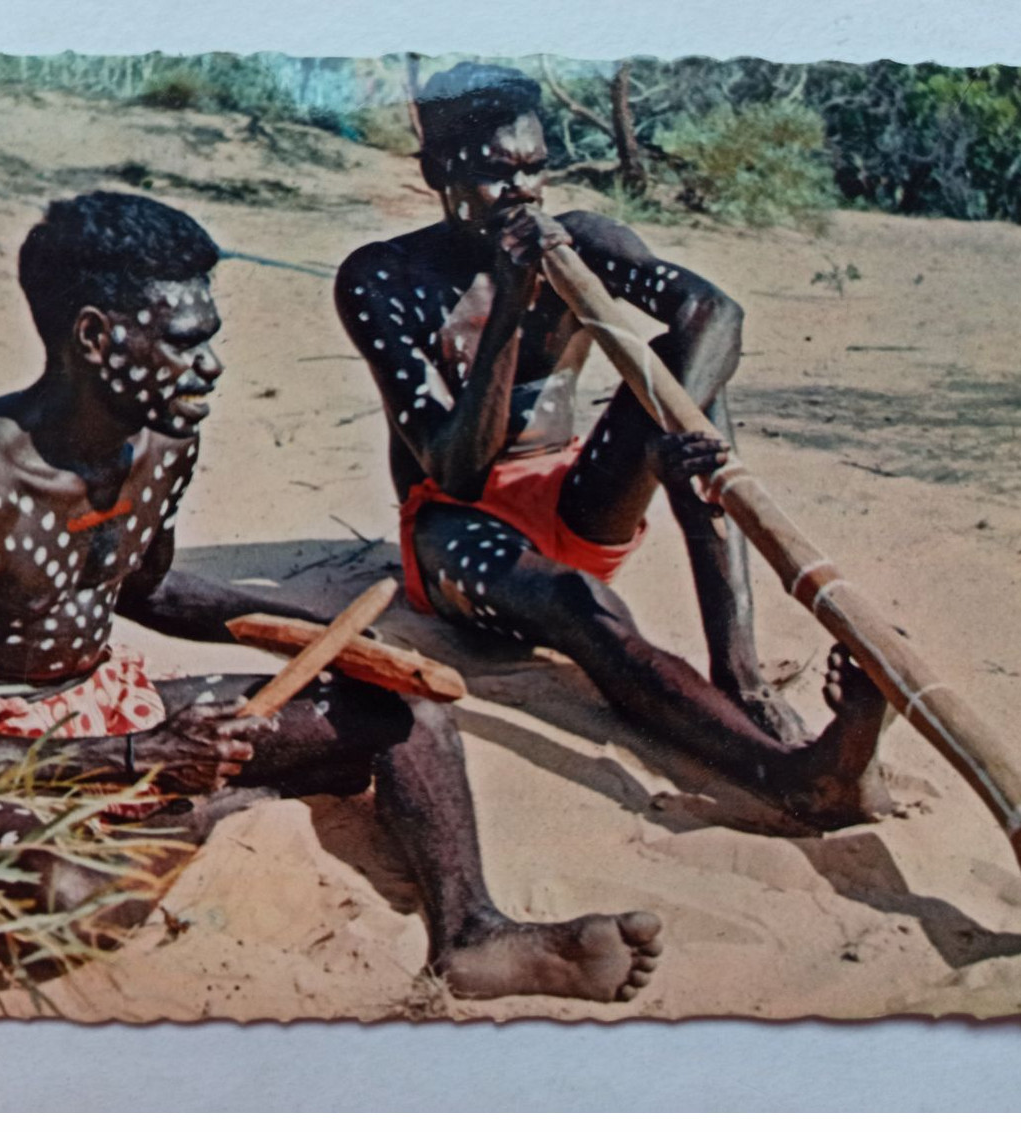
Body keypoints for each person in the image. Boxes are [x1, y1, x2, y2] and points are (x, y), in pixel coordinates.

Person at [0, 190, 662, 1003]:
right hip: (0, 759)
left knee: (406, 714)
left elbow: (147, 588)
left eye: (210, 340)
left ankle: (471, 933)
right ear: (95, 337)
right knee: (66, 905)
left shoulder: (164, 437)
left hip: (116, 711)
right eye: (182, 344)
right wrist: (143, 759)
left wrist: (330, 638)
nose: (209, 366)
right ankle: (204, 809)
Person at [335, 64, 891, 828]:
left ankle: (738, 675)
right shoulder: (381, 279)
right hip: (454, 529)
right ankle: (789, 775)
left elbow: (714, 317)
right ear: (438, 172)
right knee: (583, 607)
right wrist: (509, 306)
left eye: (535, 169)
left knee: (695, 384)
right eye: (498, 174)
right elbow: (457, 472)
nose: (523, 193)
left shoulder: (584, 239)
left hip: (578, 498)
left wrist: (677, 429)